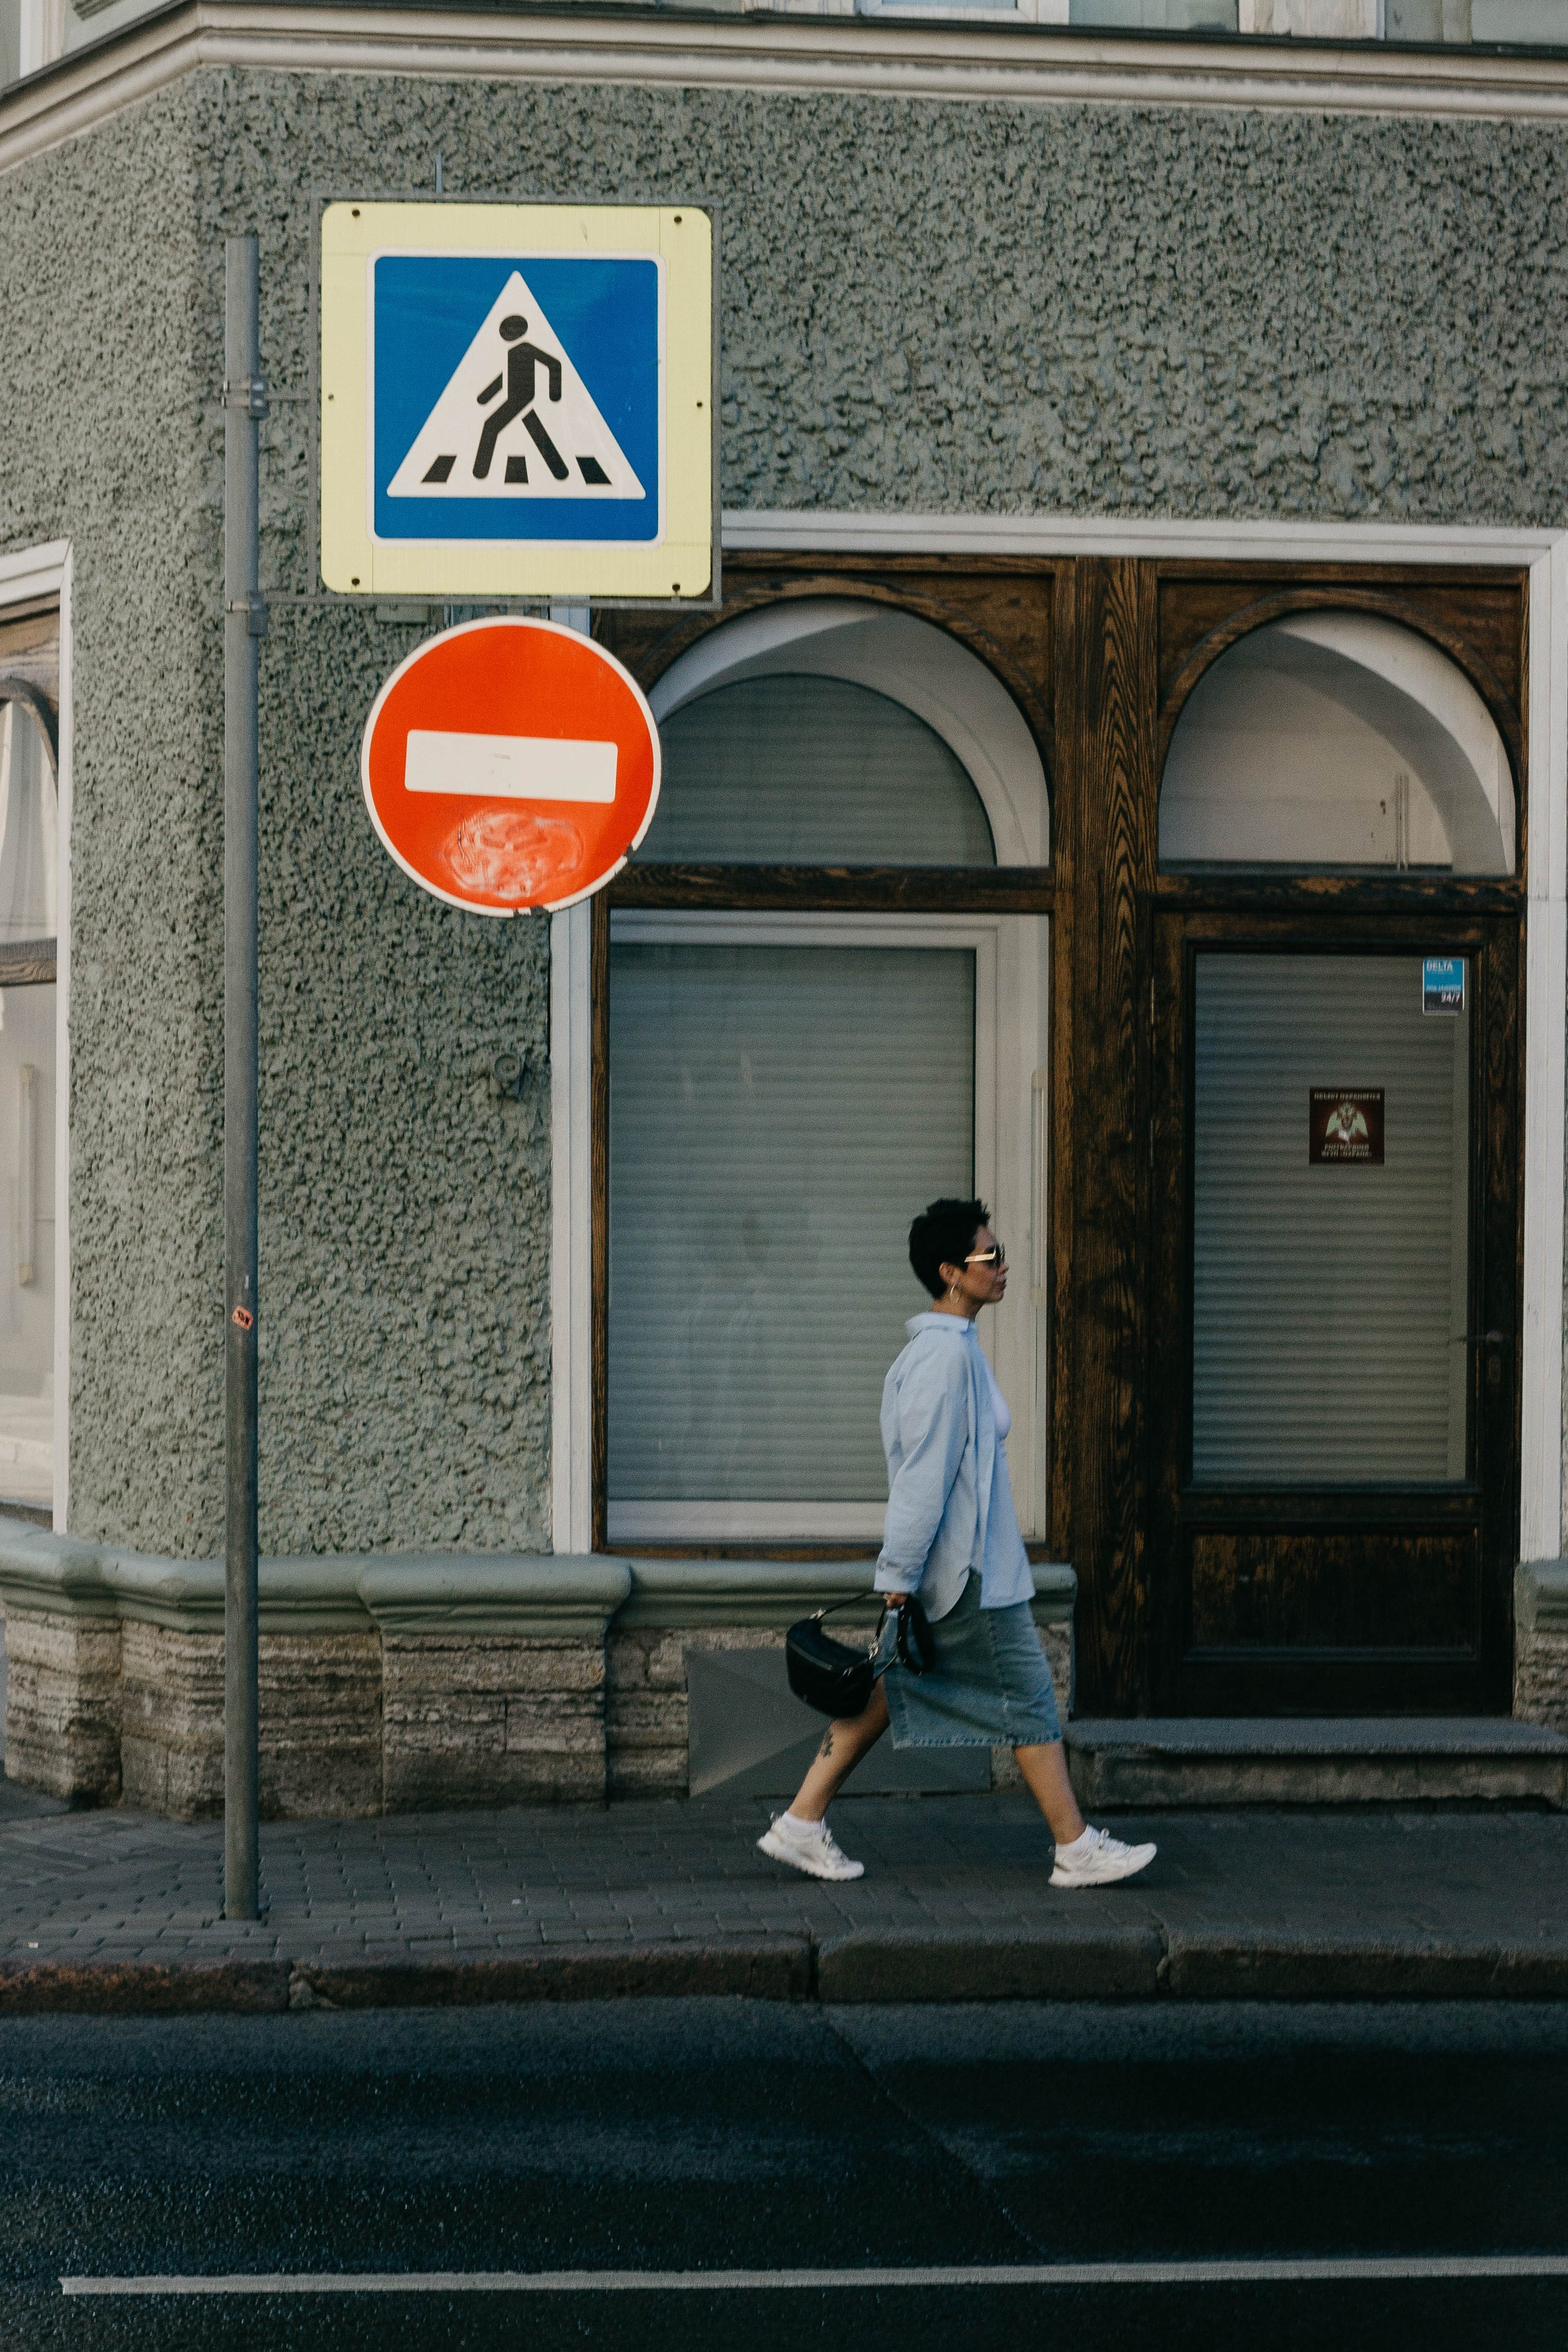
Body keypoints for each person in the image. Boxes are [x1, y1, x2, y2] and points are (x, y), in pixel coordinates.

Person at [758, 1197, 1157, 1891]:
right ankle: (1075, 1847)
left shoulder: (954, 1349)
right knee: (1030, 1697)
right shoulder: (941, 1360)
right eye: (989, 1257)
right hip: (969, 1574)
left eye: (1000, 1253)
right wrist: (898, 1575)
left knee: (882, 1692)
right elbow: (921, 1479)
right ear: (950, 1272)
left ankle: (799, 1823)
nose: (1003, 1266)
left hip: (957, 1569)